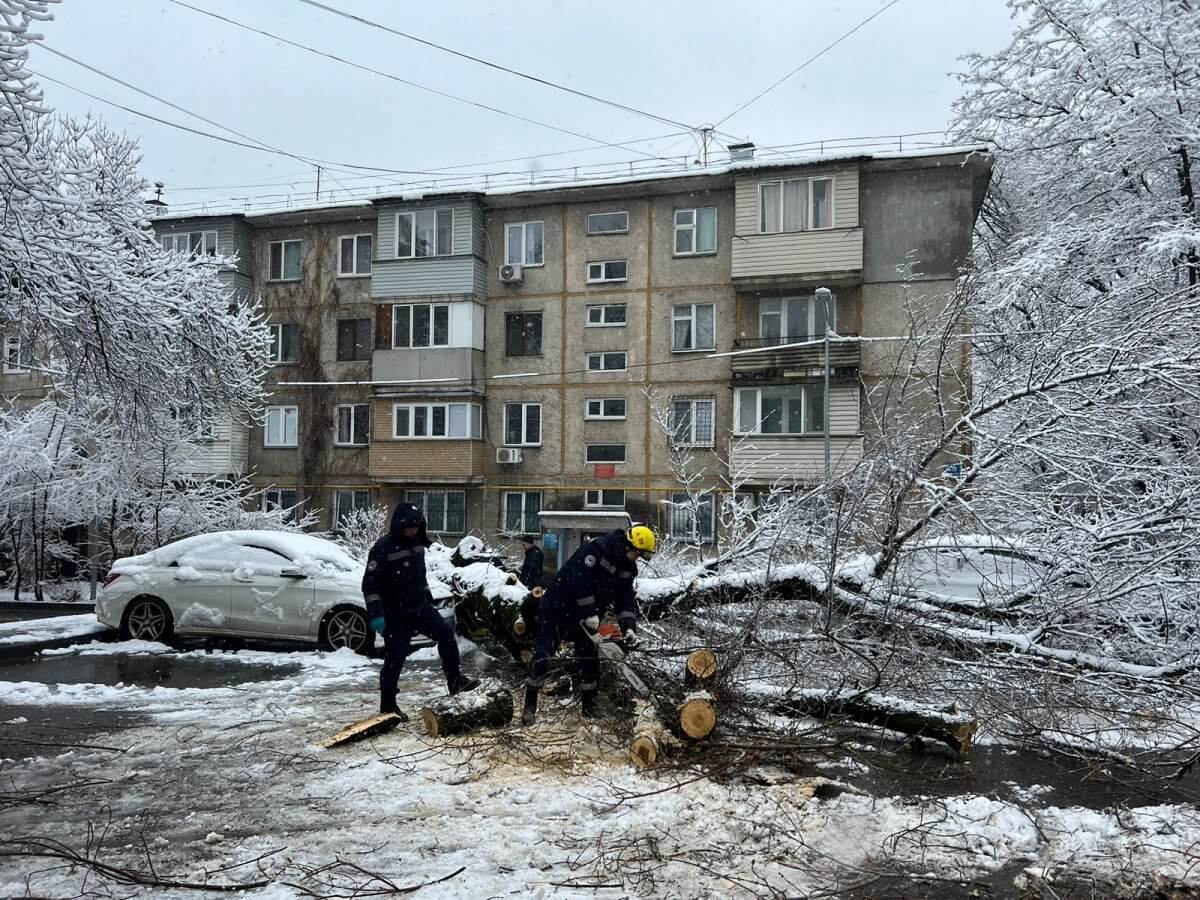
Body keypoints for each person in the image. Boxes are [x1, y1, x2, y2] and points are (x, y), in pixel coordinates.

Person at [521, 524, 656, 726]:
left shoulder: (628, 569)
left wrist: (628, 627)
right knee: (545, 651)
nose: (637, 559)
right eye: (638, 554)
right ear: (630, 546)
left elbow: (624, 598)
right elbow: (580, 578)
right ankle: (529, 706)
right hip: (560, 605)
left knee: (588, 656)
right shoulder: (597, 549)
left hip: (588, 616)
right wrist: (590, 610)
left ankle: (590, 707)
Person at [362, 502, 480, 718]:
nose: (413, 530)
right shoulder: (383, 548)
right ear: (399, 525)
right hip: (395, 613)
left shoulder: (416, 544)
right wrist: (377, 614)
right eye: (409, 527)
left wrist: (427, 598)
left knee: (446, 635)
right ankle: (388, 705)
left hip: (419, 607)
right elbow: (370, 585)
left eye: (417, 527)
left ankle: (455, 681)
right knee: (395, 658)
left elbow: (420, 576)